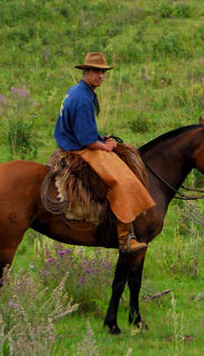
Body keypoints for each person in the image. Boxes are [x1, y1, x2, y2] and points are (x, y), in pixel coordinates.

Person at [54, 52, 154, 253]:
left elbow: (85, 130)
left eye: (103, 72)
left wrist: (101, 138)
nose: (101, 76)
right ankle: (125, 238)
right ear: (86, 71)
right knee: (123, 180)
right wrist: (104, 146)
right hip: (80, 149)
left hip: (74, 142)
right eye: (97, 71)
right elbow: (86, 140)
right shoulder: (82, 99)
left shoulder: (77, 91)